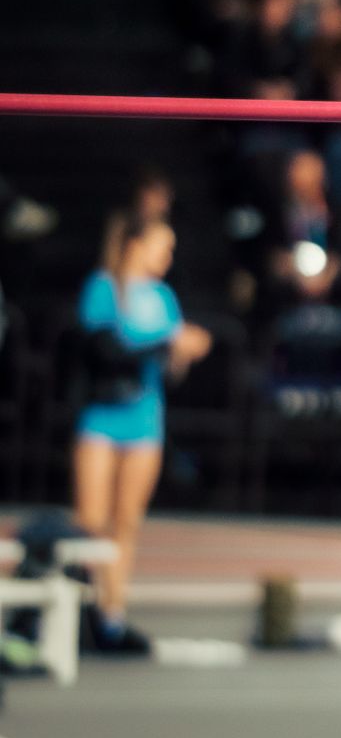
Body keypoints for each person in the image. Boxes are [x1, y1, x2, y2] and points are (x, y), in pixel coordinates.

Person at [74, 216, 211, 652]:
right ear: (135, 245)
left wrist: (183, 351)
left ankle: (113, 614)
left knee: (126, 522)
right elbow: (105, 350)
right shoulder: (104, 287)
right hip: (102, 415)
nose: (167, 257)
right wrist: (166, 343)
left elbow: (169, 372)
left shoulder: (163, 297)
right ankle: (83, 610)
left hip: (144, 418)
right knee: (91, 522)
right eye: (161, 246)